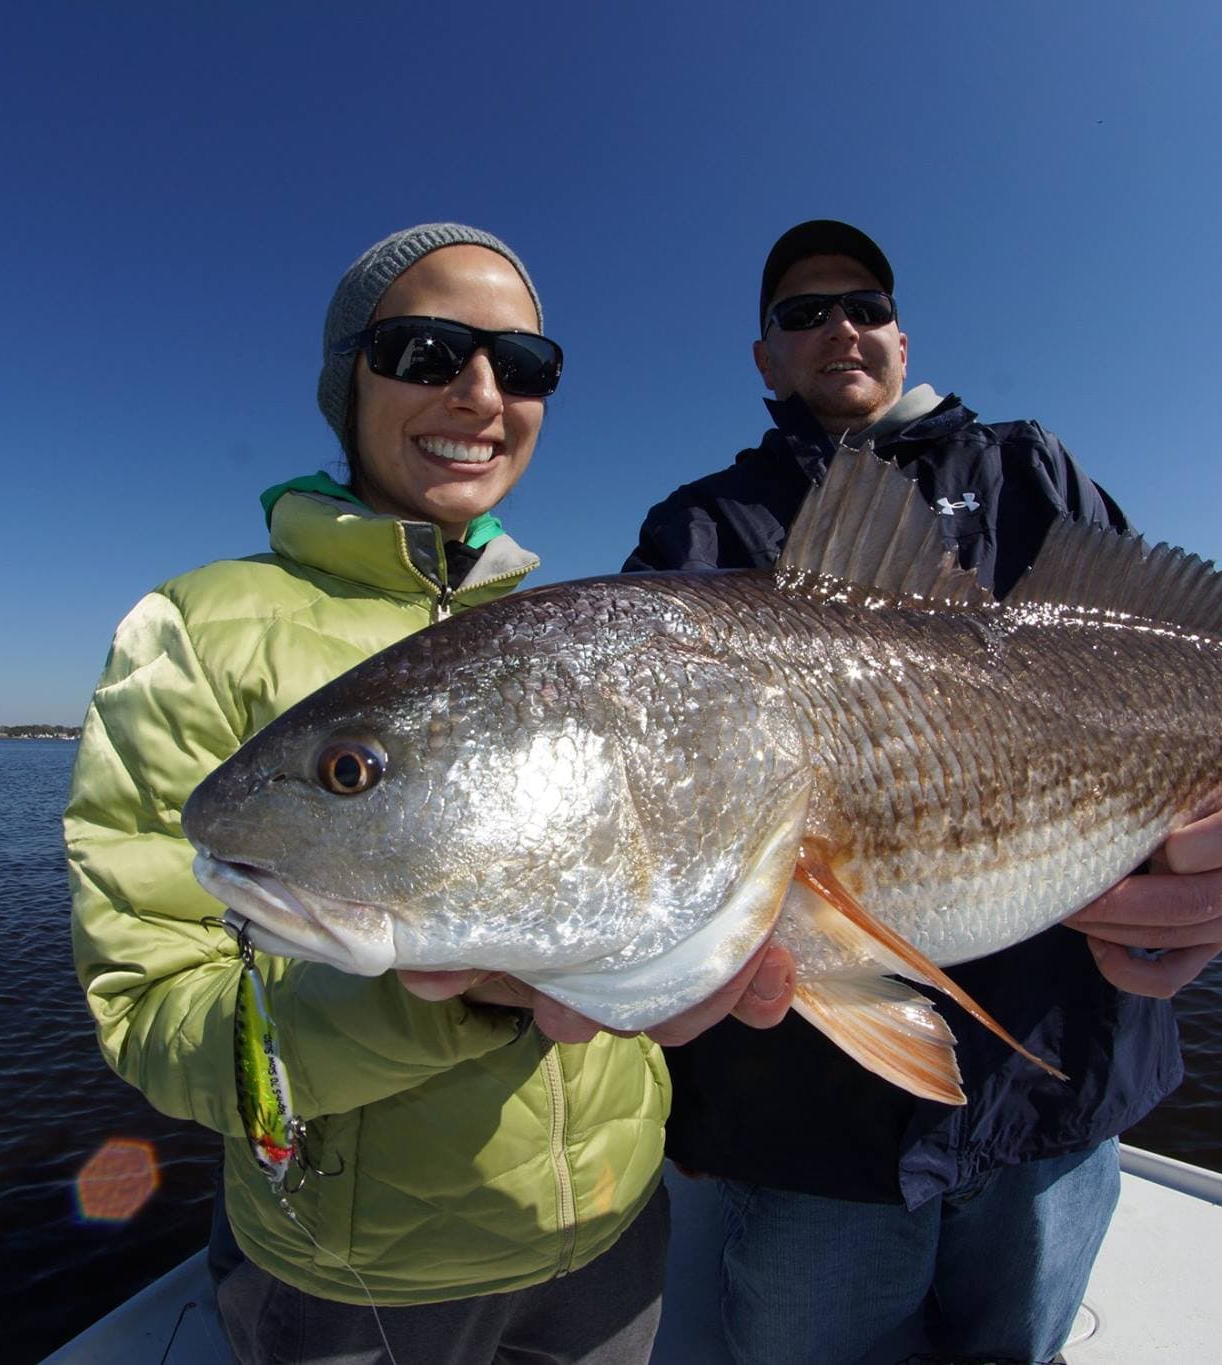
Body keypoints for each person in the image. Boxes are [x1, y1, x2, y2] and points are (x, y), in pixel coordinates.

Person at [65, 222, 792, 1365]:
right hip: (352, 1286)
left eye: (524, 364)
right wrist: (460, 998)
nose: (480, 393)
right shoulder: (195, 631)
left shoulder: (576, 636)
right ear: (342, 381)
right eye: (423, 350)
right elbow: (154, 1012)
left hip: (610, 1236)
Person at [623, 220, 1222, 1365]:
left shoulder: (1030, 470)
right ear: (762, 357)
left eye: (864, 305)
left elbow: (1161, 671)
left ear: (898, 334)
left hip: (1056, 1094)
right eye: (802, 312)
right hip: (806, 1143)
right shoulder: (701, 529)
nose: (839, 326)